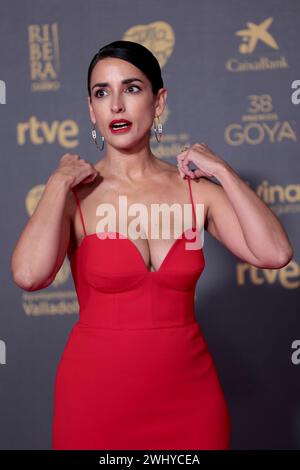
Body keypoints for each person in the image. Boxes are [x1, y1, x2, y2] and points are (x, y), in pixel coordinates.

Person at [11, 40, 293, 450]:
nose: (117, 105)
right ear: (91, 110)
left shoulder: (197, 191)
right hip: (95, 401)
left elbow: (275, 254)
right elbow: (29, 274)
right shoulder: (74, 196)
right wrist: (57, 183)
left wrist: (223, 172)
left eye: (132, 88)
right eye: (102, 93)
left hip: (190, 399)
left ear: (159, 102)